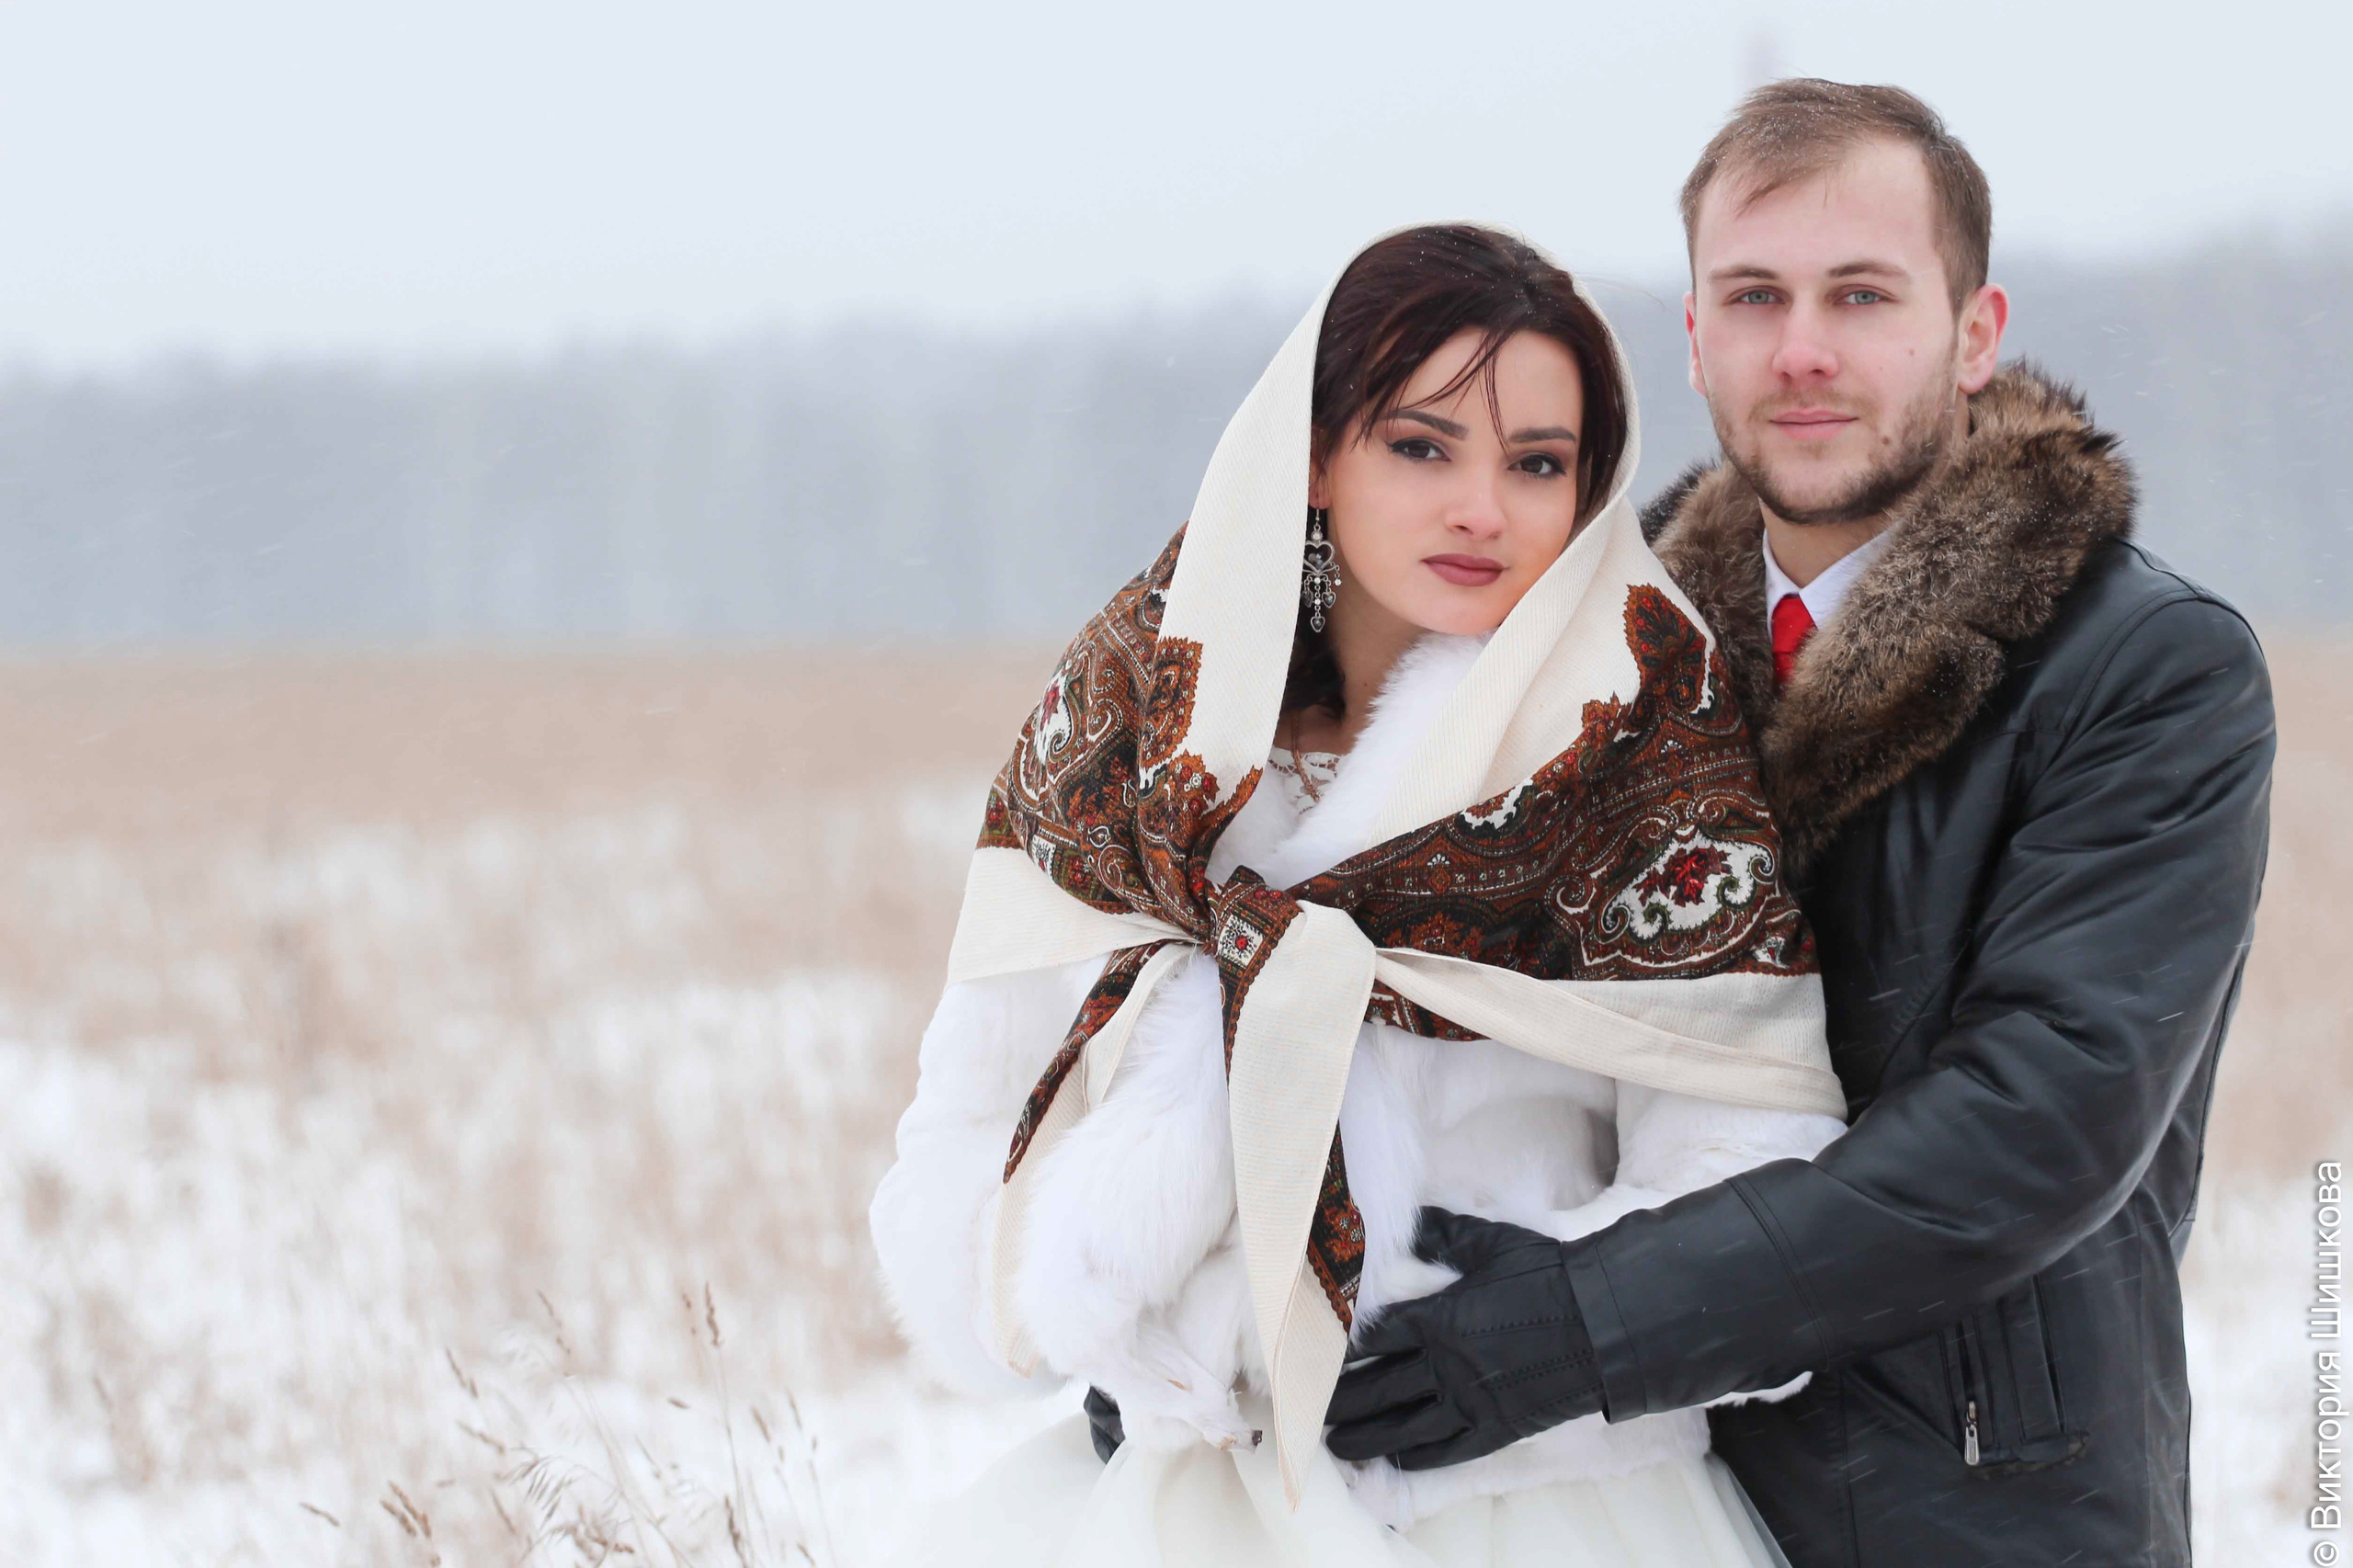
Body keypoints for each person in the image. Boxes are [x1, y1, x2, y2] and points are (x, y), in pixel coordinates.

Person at [1322, 84, 2276, 1568]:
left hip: (1976, 1511)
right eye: (1755, 295)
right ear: (1695, 337)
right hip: (1627, 1511)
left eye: (1862, 295)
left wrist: (1581, 1325)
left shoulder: (2147, 670)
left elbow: (2033, 1122)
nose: (1803, 350)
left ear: (1974, 332)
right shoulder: (1586, 661)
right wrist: (1231, 1343)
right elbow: (1429, 1035)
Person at [868, 223, 1855, 1565]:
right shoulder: (1139, 728)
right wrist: (1105, 1318)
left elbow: (1753, 1151)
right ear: (1319, 454)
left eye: (1538, 463)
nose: (1482, 508)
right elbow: (978, 1107)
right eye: (1422, 446)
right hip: (1189, 1494)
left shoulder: (1640, 738)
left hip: (1541, 1505)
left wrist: (1543, 1327)